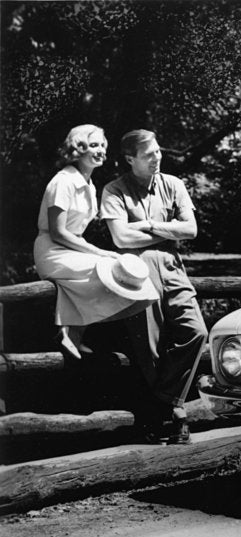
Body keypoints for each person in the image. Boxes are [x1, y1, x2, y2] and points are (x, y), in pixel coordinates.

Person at [101, 129, 207, 445]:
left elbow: (191, 229)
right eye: (149, 155)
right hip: (135, 271)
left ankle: (164, 401)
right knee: (148, 344)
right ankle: (173, 416)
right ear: (130, 159)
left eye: (158, 151)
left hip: (173, 268)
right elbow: (121, 239)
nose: (157, 158)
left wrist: (146, 225)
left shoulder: (173, 184)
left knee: (196, 331)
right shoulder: (113, 190)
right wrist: (168, 230)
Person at [33, 125, 158, 360]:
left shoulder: (89, 185)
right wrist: (99, 252)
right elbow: (58, 233)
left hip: (71, 249)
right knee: (110, 269)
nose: (100, 150)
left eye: (102, 145)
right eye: (93, 145)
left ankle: (72, 332)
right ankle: (71, 333)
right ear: (78, 149)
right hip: (52, 250)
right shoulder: (64, 181)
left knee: (127, 271)